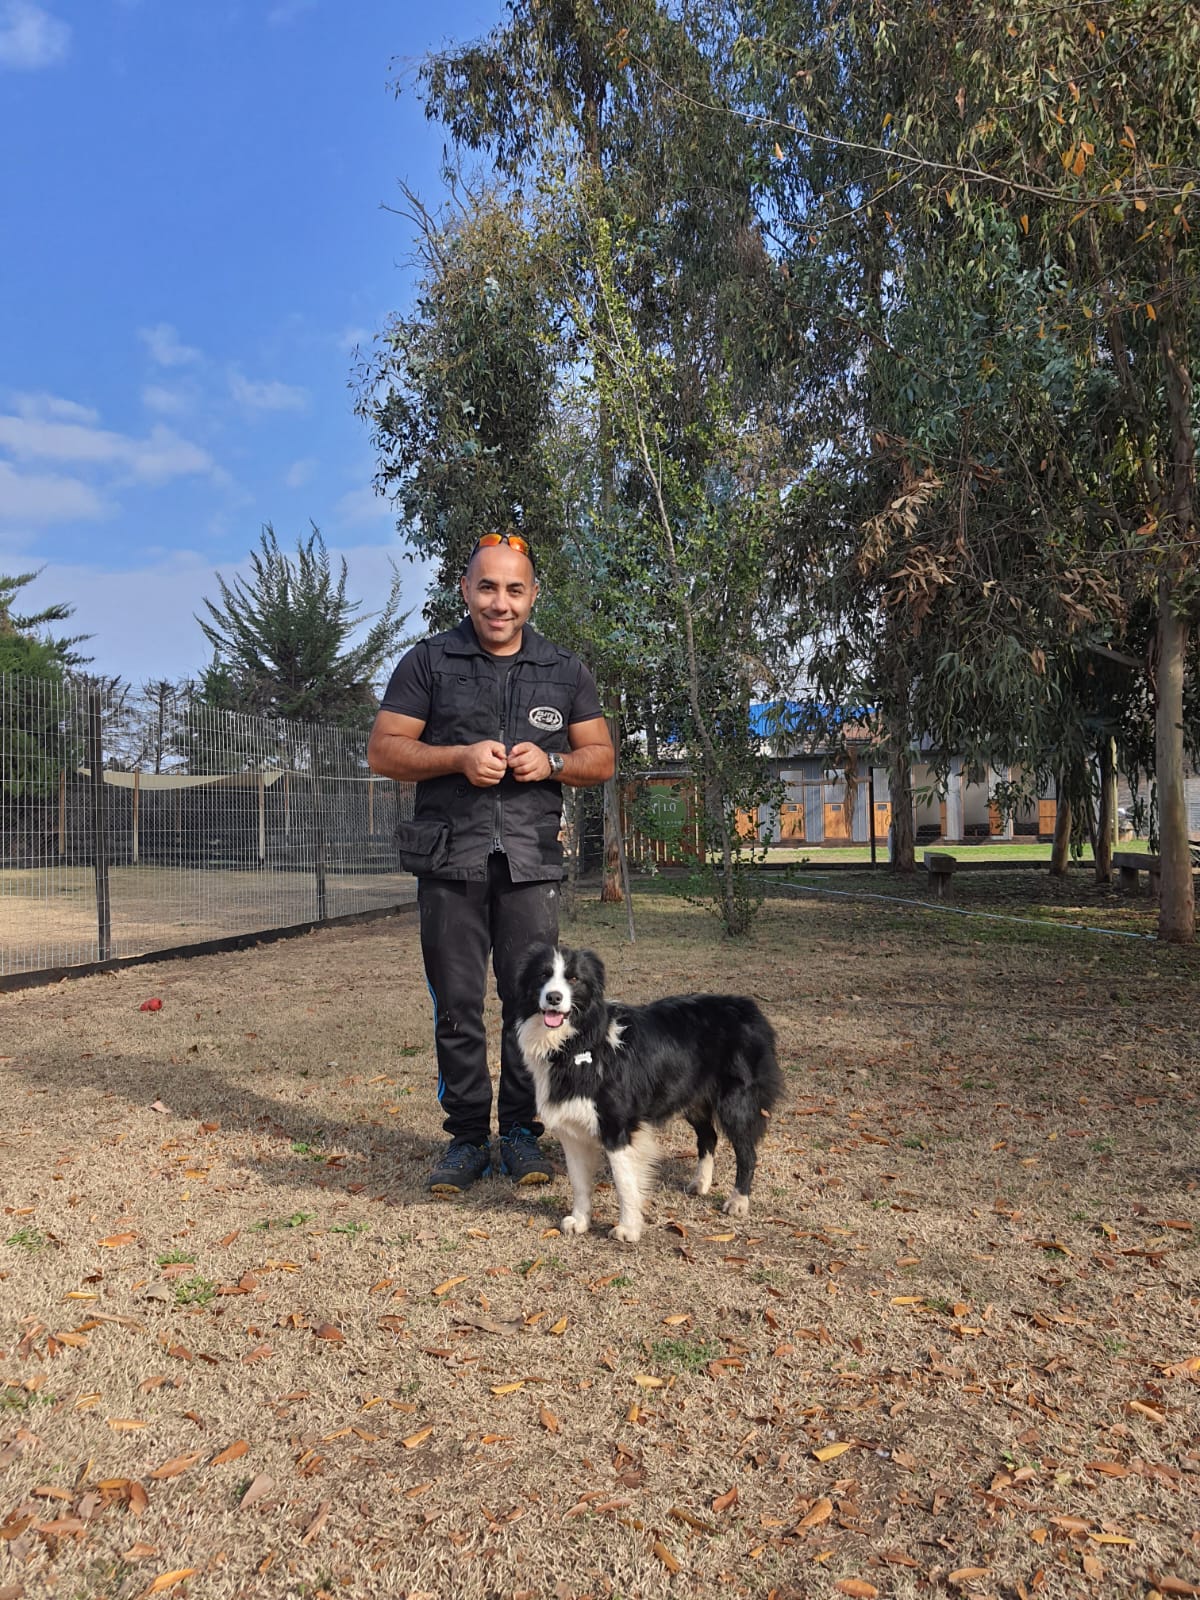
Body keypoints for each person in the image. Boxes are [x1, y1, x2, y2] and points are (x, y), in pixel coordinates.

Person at [367, 532, 614, 1194]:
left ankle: (523, 1136)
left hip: (530, 863)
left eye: (513, 589)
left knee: (535, 1004)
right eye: (486, 587)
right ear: (465, 591)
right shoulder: (428, 662)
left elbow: (602, 758)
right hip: (451, 859)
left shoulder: (565, 671)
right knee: (457, 1004)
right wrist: (456, 757)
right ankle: (468, 1140)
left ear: (532, 595)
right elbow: (385, 749)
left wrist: (554, 762)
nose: (499, 602)